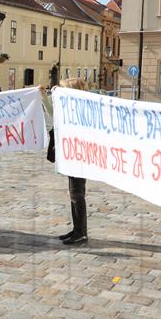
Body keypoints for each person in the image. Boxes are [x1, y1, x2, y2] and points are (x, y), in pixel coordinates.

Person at [42, 78, 90, 245]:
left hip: (79, 156)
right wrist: (44, 95)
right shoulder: (69, 108)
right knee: (74, 195)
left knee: (78, 195)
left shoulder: (82, 109)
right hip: (71, 155)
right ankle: (77, 229)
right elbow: (53, 115)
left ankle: (81, 233)